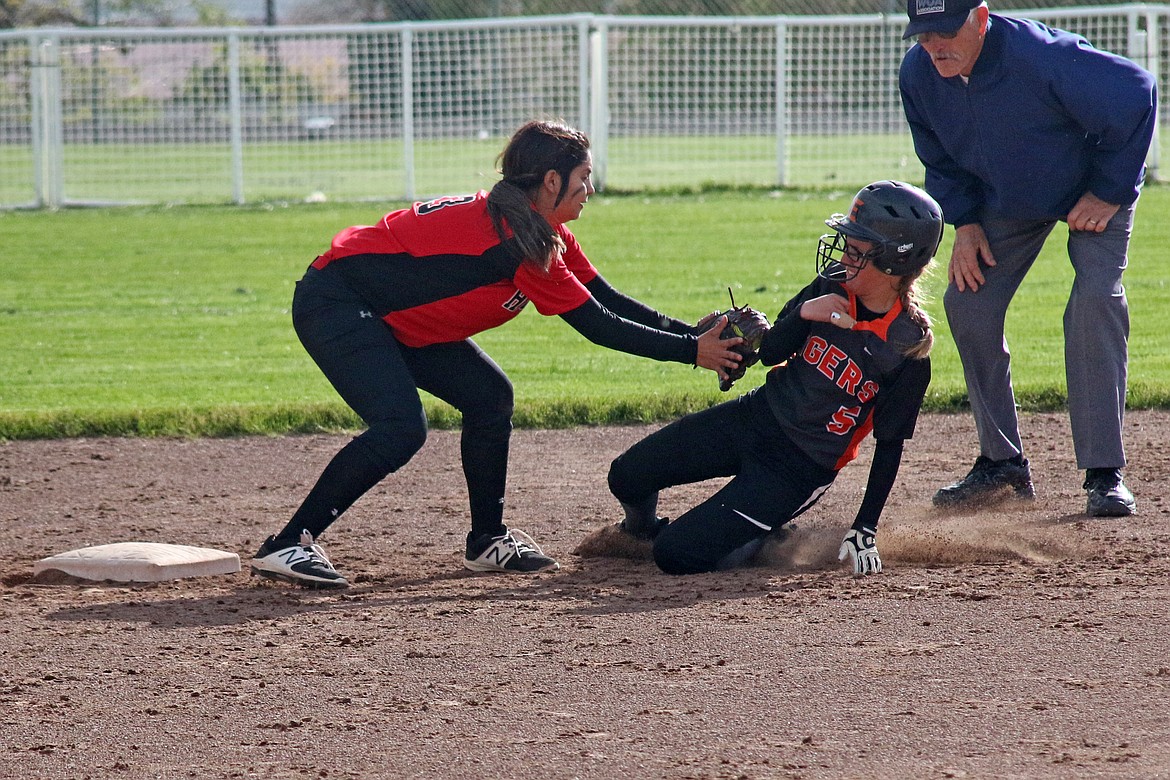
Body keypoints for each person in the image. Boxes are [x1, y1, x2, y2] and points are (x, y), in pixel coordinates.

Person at [250, 119, 745, 588]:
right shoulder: (520, 242)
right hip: (337, 302)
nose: (590, 189)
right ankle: (289, 542)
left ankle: (486, 541)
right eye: (584, 177)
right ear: (552, 181)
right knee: (401, 427)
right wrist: (691, 353)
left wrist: (698, 336)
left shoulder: (537, 229)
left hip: (392, 315)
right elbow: (599, 327)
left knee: (489, 396)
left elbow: (609, 300)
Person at [898, 0, 1157, 516]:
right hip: (1008, 200)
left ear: (981, 16)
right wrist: (965, 221)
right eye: (924, 36)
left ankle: (1105, 474)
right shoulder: (919, 74)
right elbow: (938, 154)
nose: (935, 47)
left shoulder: (1040, 57)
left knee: (1093, 301)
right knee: (968, 303)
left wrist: (1109, 190)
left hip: (1092, 190)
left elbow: (1138, 91)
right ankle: (1003, 465)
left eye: (946, 32)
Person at [607, 181, 942, 576]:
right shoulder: (832, 283)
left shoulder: (906, 350)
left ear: (894, 263)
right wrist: (803, 315)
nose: (844, 255)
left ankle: (762, 537)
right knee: (627, 475)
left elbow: (889, 446)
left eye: (857, 250)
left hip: (799, 468)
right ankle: (640, 530)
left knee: (676, 555)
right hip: (756, 416)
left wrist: (865, 526)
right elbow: (771, 354)